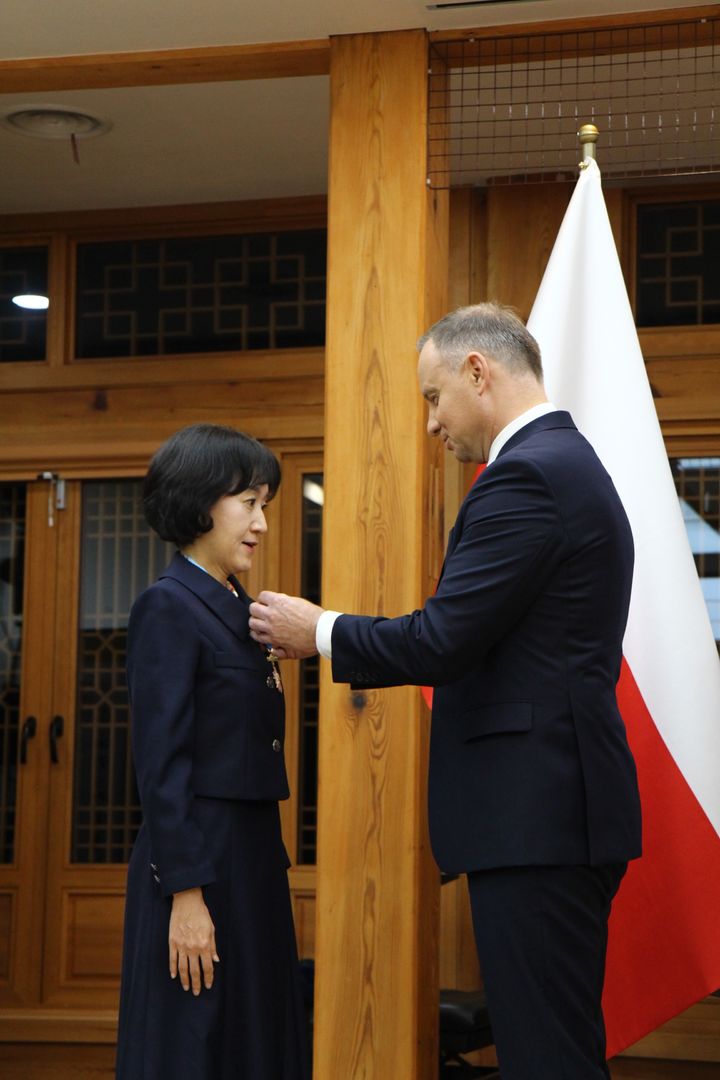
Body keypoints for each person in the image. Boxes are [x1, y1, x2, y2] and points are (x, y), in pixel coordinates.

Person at [248, 303, 642, 1080]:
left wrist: (319, 630)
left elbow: (443, 639)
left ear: (477, 371)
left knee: (547, 1059)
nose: (431, 424)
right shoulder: (565, 463)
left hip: (541, 818)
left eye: (433, 398)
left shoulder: (527, 475)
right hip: (555, 814)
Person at [116, 423, 309, 1080]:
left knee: (256, 1042)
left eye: (265, 505)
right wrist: (186, 893)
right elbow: (162, 767)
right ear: (202, 504)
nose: (260, 521)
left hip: (252, 857)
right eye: (247, 502)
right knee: (195, 1045)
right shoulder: (168, 607)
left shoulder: (240, 610)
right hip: (199, 861)